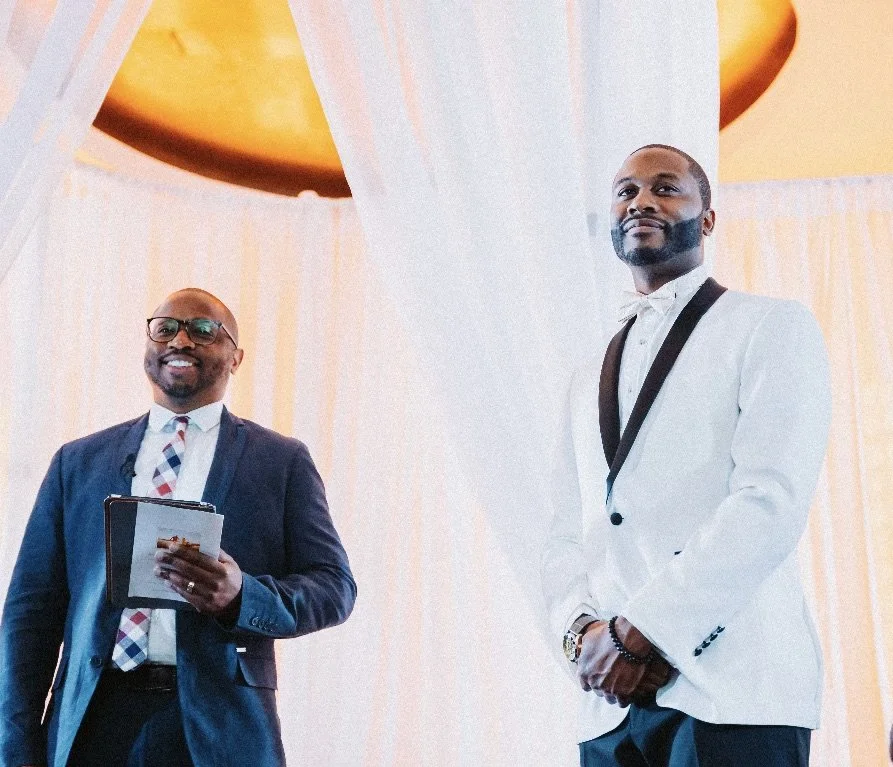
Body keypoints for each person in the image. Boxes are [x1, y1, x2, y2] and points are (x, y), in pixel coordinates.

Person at [542, 145, 831, 766]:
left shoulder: (772, 327)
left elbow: (768, 505)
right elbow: (566, 534)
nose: (641, 201)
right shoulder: (583, 371)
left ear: (707, 219)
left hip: (735, 693)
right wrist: (583, 637)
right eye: (625, 192)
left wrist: (643, 634)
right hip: (609, 710)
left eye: (666, 188)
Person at [0, 288, 356, 767]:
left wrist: (242, 596)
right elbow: (30, 613)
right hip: (92, 718)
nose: (180, 340)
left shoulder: (281, 462)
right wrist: (14, 748)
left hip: (220, 727)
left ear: (237, 357)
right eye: (165, 328)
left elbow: (335, 588)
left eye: (204, 330)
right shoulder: (78, 462)